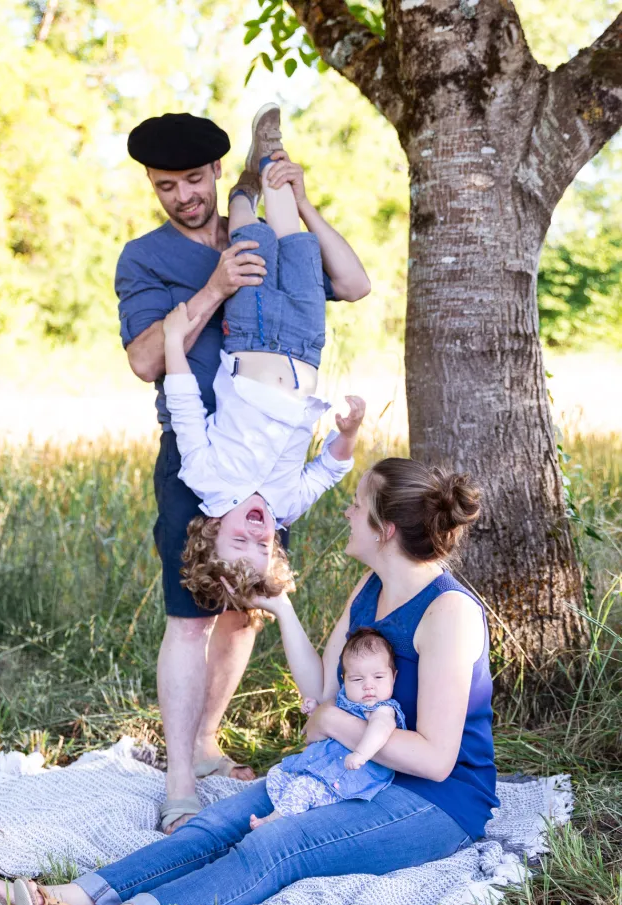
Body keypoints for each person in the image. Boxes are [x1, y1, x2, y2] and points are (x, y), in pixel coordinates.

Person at [0, 456, 499, 905]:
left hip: (433, 802)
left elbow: (435, 760)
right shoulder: (371, 586)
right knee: (216, 823)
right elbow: (322, 687)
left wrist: (334, 722)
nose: (347, 512)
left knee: (277, 842)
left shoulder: (448, 613)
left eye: (358, 504)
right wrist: (281, 609)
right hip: (342, 769)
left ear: (385, 530)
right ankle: (66, 896)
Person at [118, 105, 371, 832]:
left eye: (194, 180)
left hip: (270, 467)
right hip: (200, 462)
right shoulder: (146, 258)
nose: (182, 196)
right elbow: (145, 359)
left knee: (244, 613)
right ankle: (178, 779)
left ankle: (204, 743)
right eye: (166, 186)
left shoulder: (251, 223)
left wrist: (302, 201)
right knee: (189, 620)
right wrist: (216, 288)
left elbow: (352, 284)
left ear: (217, 172)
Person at [161, 141, 366, 623]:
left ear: (212, 531)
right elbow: (327, 471)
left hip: (251, 338)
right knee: (298, 246)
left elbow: (186, 408)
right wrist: (350, 433)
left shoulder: (206, 480)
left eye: (240, 540)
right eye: (262, 546)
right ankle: (273, 159)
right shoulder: (287, 506)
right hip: (306, 344)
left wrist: (174, 341)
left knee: (252, 237)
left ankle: (242, 191)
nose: (256, 534)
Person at [250, 627, 406, 829]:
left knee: (304, 787)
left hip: (347, 777)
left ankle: (273, 821)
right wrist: (316, 710)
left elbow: (381, 728)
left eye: (378, 677)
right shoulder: (346, 699)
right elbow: (333, 720)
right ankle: (292, 811)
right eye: (357, 679)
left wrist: (361, 753)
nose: (368, 685)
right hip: (323, 767)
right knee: (281, 774)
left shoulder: (382, 708)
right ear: (344, 680)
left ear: (393, 677)